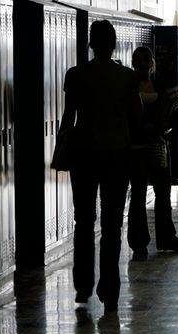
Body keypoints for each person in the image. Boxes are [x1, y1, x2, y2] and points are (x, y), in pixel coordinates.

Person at [60, 20, 141, 312]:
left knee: (83, 221)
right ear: (115, 43)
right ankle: (110, 289)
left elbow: (69, 118)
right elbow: (136, 116)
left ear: (90, 44)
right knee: (111, 225)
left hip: (83, 155)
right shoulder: (127, 78)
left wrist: (62, 150)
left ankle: (83, 286)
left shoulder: (76, 75)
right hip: (117, 155)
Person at [127, 46, 178, 259]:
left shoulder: (160, 84)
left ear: (152, 62)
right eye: (139, 59)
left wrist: (161, 125)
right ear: (133, 62)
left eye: (147, 59)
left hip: (157, 145)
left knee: (163, 194)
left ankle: (166, 238)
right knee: (137, 195)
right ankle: (139, 243)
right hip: (135, 148)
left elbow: (168, 111)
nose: (143, 63)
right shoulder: (127, 86)